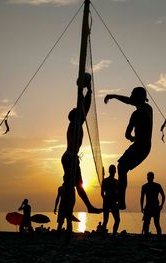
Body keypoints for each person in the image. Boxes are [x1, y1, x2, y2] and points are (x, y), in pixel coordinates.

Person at [104, 87, 153, 209]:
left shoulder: (147, 109)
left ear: (139, 97)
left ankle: (121, 200)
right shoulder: (135, 115)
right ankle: (121, 200)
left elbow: (132, 103)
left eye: (132, 95)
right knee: (121, 167)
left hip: (143, 147)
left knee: (121, 167)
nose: (130, 97)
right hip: (137, 146)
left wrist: (113, 95)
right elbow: (127, 134)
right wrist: (132, 137)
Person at [62, 72, 102, 214]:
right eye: (76, 111)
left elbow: (85, 106)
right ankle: (76, 209)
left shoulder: (77, 122)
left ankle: (74, 210)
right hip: (69, 157)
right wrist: (82, 92)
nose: (78, 111)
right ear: (74, 115)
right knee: (74, 185)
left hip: (70, 157)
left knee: (76, 185)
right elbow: (83, 105)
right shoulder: (75, 123)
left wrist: (89, 90)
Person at [140, 172, 165, 236]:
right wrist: (142, 207)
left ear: (152, 177)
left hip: (155, 207)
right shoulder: (144, 186)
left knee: (156, 223)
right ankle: (146, 237)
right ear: (147, 177)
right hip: (149, 207)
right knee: (147, 224)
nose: (149, 178)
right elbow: (142, 198)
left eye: (150, 177)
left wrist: (161, 205)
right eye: (148, 177)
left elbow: (163, 195)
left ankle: (159, 237)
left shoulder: (157, 185)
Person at [101, 164, 120, 235]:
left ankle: (114, 234)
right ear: (110, 171)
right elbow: (102, 193)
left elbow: (119, 193)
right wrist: (106, 200)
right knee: (106, 220)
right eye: (112, 171)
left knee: (117, 220)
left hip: (113, 203)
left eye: (113, 171)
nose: (113, 172)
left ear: (115, 172)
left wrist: (117, 201)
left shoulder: (117, 182)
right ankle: (104, 235)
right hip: (107, 202)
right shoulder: (105, 181)